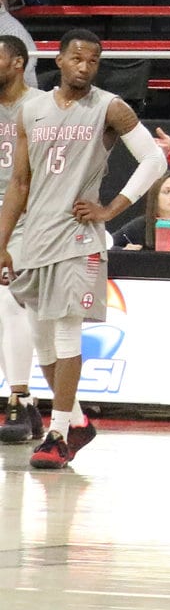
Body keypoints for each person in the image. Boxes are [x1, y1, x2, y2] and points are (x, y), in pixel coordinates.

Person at [0, 28, 166, 471]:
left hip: (79, 239)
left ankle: (56, 432)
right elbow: (19, 183)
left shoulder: (110, 106)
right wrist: (2, 244)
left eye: (93, 61)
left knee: (67, 333)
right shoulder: (31, 109)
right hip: (35, 237)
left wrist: (113, 208)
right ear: (59, 59)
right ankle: (76, 421)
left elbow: (155, 160)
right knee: (41, 340)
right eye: (77, 58)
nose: (85, 66)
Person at [0, 35, 38, 446]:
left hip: (27, 214)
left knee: (11, 301)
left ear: (17, 63)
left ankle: (18, 396)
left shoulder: (41, 105)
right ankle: (25, 404)